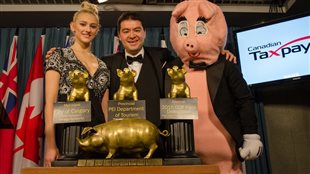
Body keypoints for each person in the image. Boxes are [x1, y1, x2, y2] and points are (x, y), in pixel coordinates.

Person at [168, 0, 263, 173]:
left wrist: (251, 135)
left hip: (227, 158)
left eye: (200, 31)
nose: (190, 41)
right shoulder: (170, 67)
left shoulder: (225, 65)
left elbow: (244, 100)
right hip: (185, 157)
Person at [44, 1, 109, 167]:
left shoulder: (103, 66)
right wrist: (51, 144)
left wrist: (108, 143)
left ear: (98, 30)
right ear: (73, 26)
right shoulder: (58, 56)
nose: (87, 29)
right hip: (67, 137)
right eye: (83, 24)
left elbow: (105, 111)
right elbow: (50, 103)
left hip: (97, 139)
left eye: (93, 26)